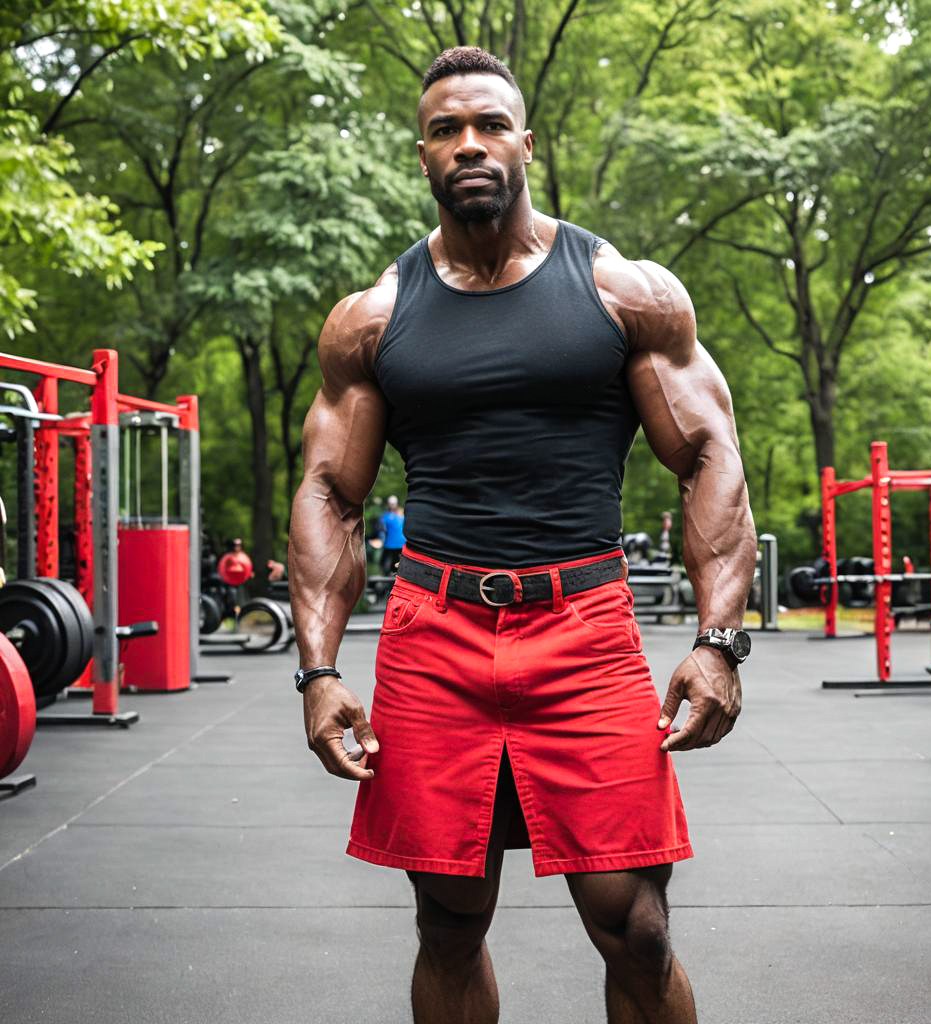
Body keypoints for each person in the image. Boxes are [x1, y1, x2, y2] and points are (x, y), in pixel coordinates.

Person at [288, 46, 756, 1024]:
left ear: (526, 145)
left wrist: (718, 641)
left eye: (490, 125)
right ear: (421, 154)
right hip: (434, 635)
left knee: (638, 927)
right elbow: (330, 490)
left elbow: (710, 453)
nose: (470, 144)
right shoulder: (371, 319)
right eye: (447, 129)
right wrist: (319, 670)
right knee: (447, 925)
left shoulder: (624, 292)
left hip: (584, 631)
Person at [376, 494, 406, 573]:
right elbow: (381, 530)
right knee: (385, 564)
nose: (392, 505)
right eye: (391, 503)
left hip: (401, 545)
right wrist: (381, 540)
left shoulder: (402, 514)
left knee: (397, 565)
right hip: (389, 545)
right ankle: (386, 580)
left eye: (393, 503)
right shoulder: (385, 516)